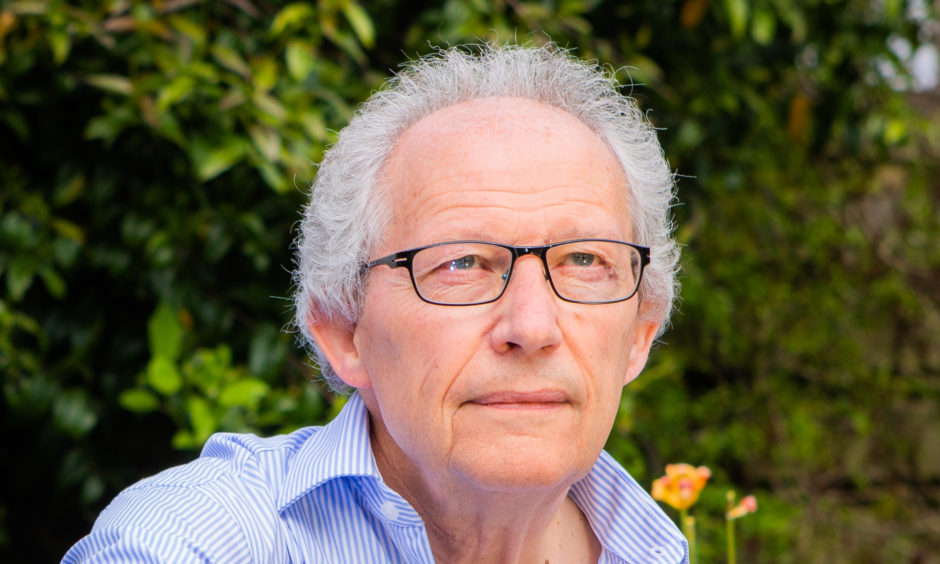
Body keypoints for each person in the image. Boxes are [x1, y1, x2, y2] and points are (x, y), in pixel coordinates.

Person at [64, 43, 687, 563]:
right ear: (342, 330)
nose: (531, 326)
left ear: (640, 332)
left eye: (584, 261)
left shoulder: (657, 548)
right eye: (461, 263)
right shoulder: (198, 540)